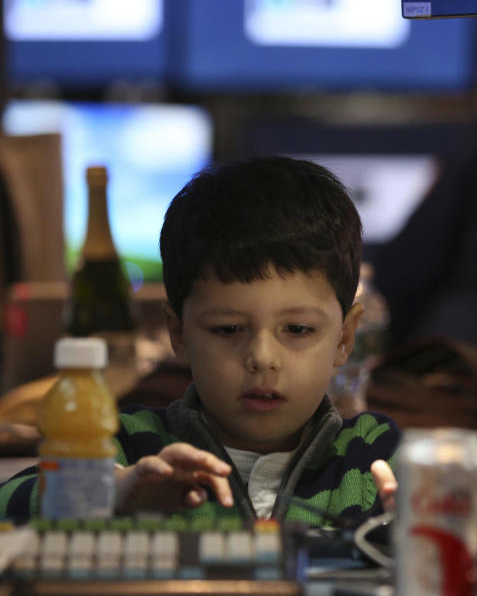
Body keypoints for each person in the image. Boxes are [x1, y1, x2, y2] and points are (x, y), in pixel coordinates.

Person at [0, 157, 399, 525]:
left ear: (344, 337)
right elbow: (8, 502)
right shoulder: (132, 446)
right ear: (179, 334)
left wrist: (419, 513)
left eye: (297, 330)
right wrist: (112, 494)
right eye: (228, 329)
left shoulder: (372, 454)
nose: (262, 358)